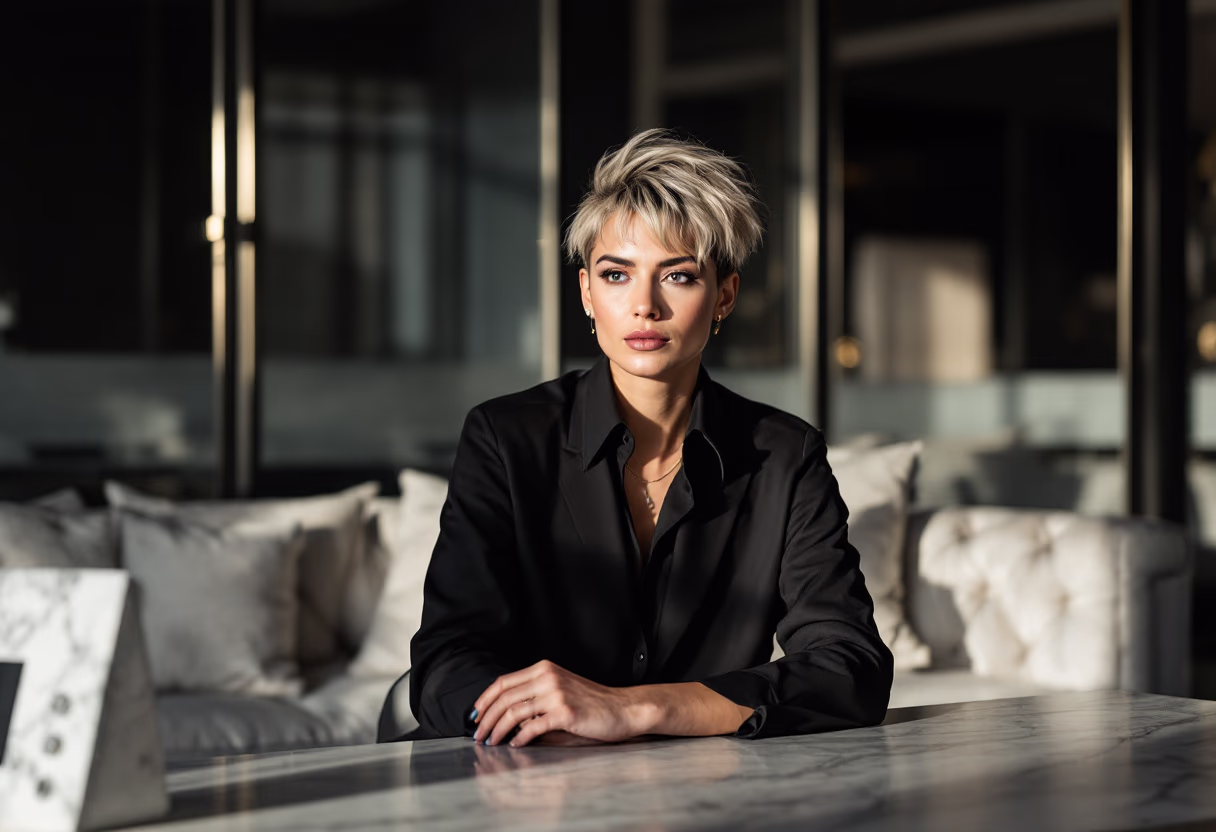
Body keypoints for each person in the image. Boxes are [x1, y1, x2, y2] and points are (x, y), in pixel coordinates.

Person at [401, 128, 892, 747]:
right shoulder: (506, 436)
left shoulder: (784, 456)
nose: (644, 306)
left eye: (679, 276)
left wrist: (636, 711)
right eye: (616, 274)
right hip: (513, 777)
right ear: (585, 292)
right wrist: (555, 726)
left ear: (725, 296)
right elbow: (447, 659)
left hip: (695, 788)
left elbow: (850, 666)